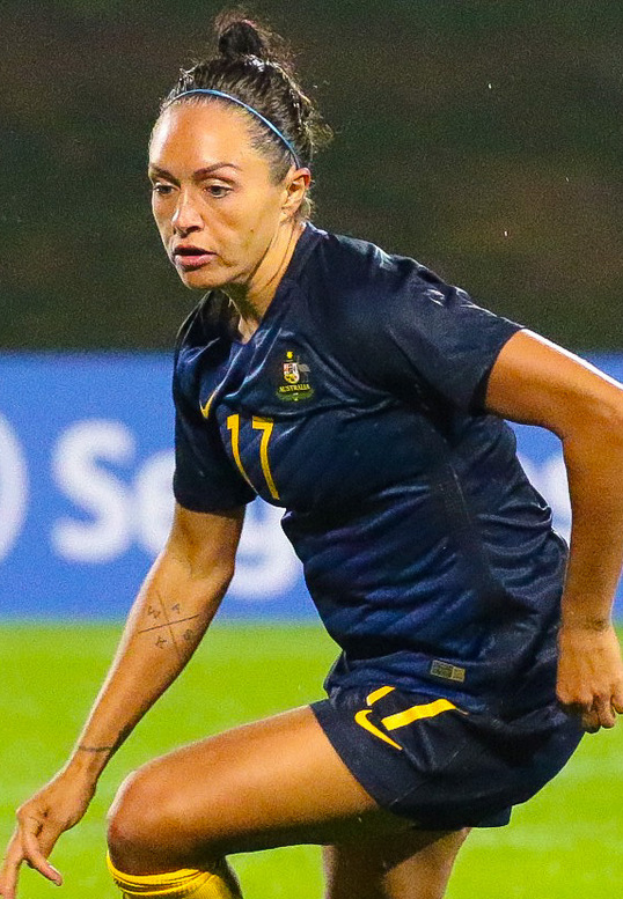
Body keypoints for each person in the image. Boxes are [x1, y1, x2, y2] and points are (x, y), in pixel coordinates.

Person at [2, 11, 623, 899]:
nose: (184, 217)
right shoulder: (210, 354)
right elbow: (190, 564)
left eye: (216, 187)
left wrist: (587, 626)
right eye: (162, 187)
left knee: (151, 823)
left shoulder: (374, 307)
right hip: (393, 677)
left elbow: (604, 415)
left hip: (483, 685)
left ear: (291, 189)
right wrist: (80, 766)